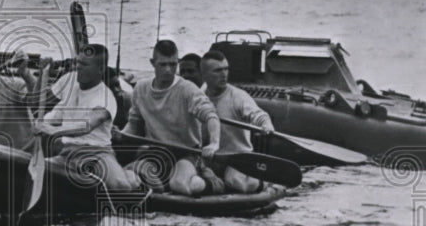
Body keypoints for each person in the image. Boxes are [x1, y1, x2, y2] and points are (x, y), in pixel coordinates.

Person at [120, 40, 224, 196]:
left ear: (178, 62)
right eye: (163, 65)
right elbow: (134, 124)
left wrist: (214, 143)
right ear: (152, 63)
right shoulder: (141, 88)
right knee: (127, 178)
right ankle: (158, 186)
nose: (168, 70)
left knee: (180, 185)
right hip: (156, 153)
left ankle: (212, 182)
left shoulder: (187, 89)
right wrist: (120, 134)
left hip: (186, 152)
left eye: (173, 64)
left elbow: (211, 116)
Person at [34, 43, 139, 193]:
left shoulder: (105, 97)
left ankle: (129, 175)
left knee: (121, 187)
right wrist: (42, 73)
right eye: (78, 62)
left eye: (84, 64)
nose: (78, 67)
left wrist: (51, 130)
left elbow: (86, 126)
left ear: (100, 69)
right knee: (34, 173)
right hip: (67, 154)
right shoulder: (69, 80)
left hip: (97, 153)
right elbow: (36, 101)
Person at [200, 49, 275, 193]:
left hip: (237, 159)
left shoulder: (238, 96)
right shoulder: (198, 98)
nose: (224, 74)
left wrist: (266, 125)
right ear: (204, 75)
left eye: (226, 69)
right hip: (209, 160)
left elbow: (258, 115)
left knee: (237, 182)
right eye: (217, 71)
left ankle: (264, 183)